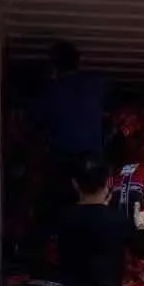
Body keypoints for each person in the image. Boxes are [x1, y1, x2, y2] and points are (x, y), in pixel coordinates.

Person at [55, 155, 144, 286]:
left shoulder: (64, 218)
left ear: (75, 184)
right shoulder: (118, 220)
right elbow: (143, 250)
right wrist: (142, 227)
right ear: (107, 183)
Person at [32, 41, 107, 184]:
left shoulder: (50, 91)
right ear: (79, 62)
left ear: (54, 67)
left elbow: (34, 119)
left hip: (63, 159)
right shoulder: (96, 83)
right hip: (93, 158)